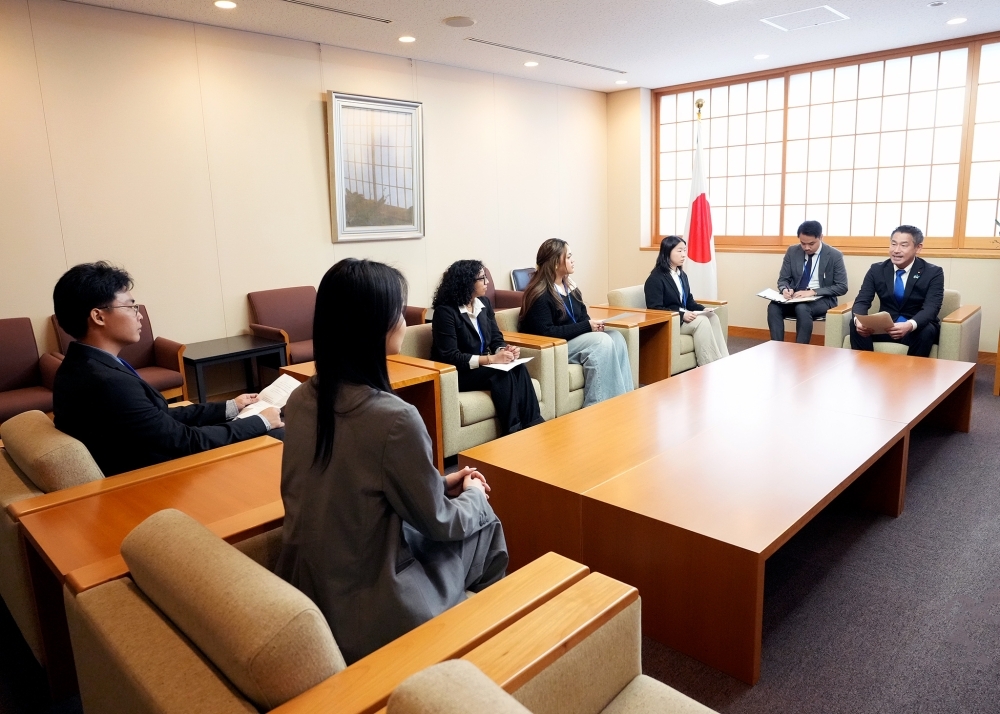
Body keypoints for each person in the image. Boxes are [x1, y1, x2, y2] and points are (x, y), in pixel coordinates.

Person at [275, 258, 507, 664]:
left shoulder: (299, 399)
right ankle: (477, 649)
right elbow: (441, 524)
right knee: (484, 518)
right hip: (373, 606)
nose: (404, 320)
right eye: (397, 311)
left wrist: (440, 483)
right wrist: (471, 494)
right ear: (372, 325)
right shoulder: (394, 419)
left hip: (310, 586)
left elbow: (354, 487)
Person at [52, 262, 282, 476]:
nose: (139, 315)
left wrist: (231, 407)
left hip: (151, 455)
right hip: (156, 476)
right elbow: (186, 442)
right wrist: (260, 422)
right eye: (131, 306)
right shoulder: (107, 382)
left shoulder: (81, 364)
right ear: (98, 316)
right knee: (279, 434)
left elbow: (154, 418)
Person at [431, 260, 543, 435]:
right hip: (458, 373)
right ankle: (513, 431)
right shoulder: (445, 312)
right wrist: (491, 359)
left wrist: (503, 351)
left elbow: (496, 338)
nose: (487, 282)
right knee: (500, 374)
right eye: (482, 278)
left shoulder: (483, 304)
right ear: (467, 282)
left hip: (482, 367)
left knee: (519, 367)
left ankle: (534, 424)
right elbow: (450, 356)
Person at [519, 239, 633, 407]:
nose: (573, 260)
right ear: (556, 262)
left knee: (616, 337)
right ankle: (597, 407)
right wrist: (587, 327)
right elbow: (546, 332)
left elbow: (582, 318)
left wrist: (593, 326)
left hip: (571, 341)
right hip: (552, 347)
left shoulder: (570, 287)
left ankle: (623, 402)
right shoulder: (539, 293)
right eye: (569, 256)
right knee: (602, 342)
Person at [850, 225, 944, 357]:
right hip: (886, 327)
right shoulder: (876, 270)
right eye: (893, 244)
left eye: (904, 245)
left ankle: (911, 375)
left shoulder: (933, 272)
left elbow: (931, 308)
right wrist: (858, 321)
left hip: (914, 329)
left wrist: (909, 325)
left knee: (927, 331)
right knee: (855, 325)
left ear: (918, 248)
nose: (896, 250)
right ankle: (865, 368)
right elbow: (862, 300)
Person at [644, 235, 728, 366]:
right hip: (670, 322)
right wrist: (682, 315)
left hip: (682, 318)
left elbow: (689, 301)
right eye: (679, 251)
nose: (684, 254)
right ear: (667, 251)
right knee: (702, 322)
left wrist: (703, 309)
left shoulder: (682, 275)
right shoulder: (655, 278)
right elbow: (654, 308)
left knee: (712, 317)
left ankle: (724, 360)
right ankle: (709, 365)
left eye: (684, 250)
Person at [767, 220, 848, 344]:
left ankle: (801, 350)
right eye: (802, 243)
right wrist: (785, 289)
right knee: (774, 307)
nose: (806, 247)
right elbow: (783, 279)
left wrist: (813, 292)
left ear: (821, 237)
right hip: (795, 297)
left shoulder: (834, 255)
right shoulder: (792, 251)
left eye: (811, 243)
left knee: (802, 308)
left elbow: (842, 286)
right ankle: (777, 346)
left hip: (822, 299)